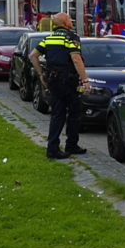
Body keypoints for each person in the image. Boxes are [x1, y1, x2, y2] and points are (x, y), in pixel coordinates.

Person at [29, 12, 90, 160]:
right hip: (68, 81)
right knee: (74, 114)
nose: (71, 21)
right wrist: (86, 80)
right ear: (64, 22)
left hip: (53, 79)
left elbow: (33, 56)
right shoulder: (71, 37)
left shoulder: (49, 38)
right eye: (69, 19)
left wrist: (41, 74)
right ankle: (71, 145)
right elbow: (76, 59)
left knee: (57, 114)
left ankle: (53, 148)